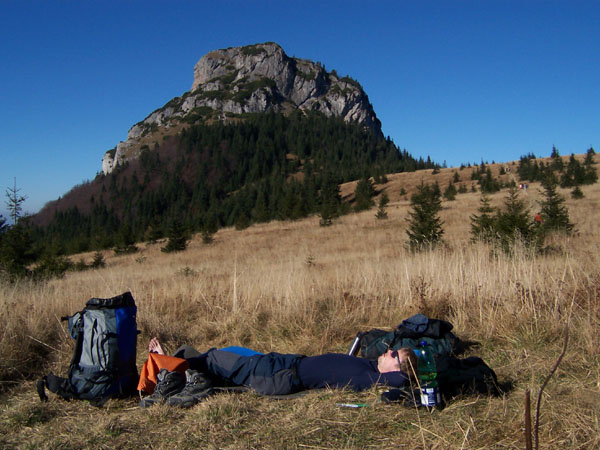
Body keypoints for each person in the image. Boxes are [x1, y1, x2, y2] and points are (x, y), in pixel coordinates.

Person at [141, 337, 417, 408]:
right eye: (393, 349)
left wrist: (415, 373)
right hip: (280, 364)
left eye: (395, 355)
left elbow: (402, 380)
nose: (389, 351)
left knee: (213, 357)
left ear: (398, 367)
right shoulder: (370, 365)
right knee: (220, 354)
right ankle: (173, 367)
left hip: (278, 374)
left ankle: (170, 371)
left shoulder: (375, 378)